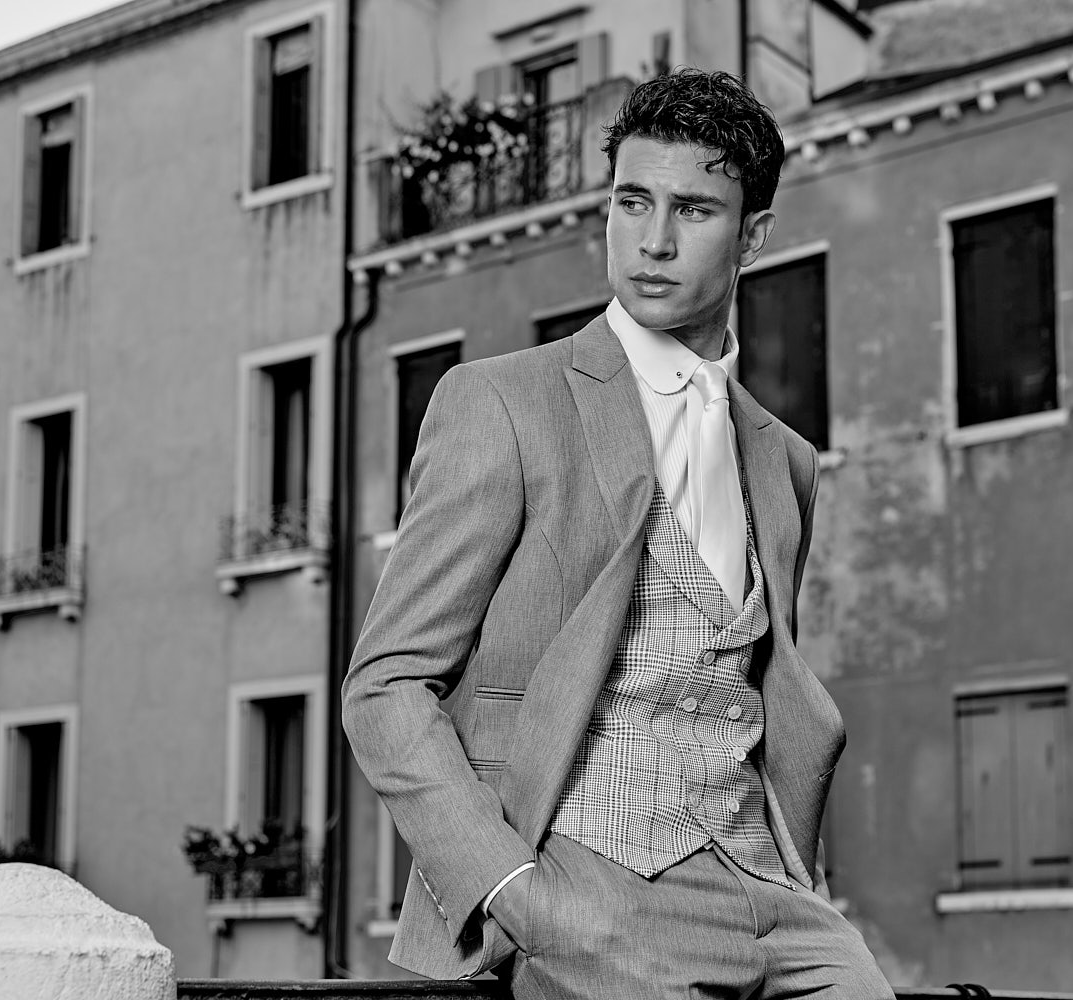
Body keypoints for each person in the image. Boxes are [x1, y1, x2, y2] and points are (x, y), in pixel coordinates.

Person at [342, 68, 892, 999]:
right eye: (632, 202)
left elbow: (750, 687)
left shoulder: (783, 458)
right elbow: (386, 683)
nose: (654, 240)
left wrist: (804, 877)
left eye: (693, 209)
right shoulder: (502, 403)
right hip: (593, 892)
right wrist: (510, 888)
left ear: (751, 237)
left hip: (775, 897)